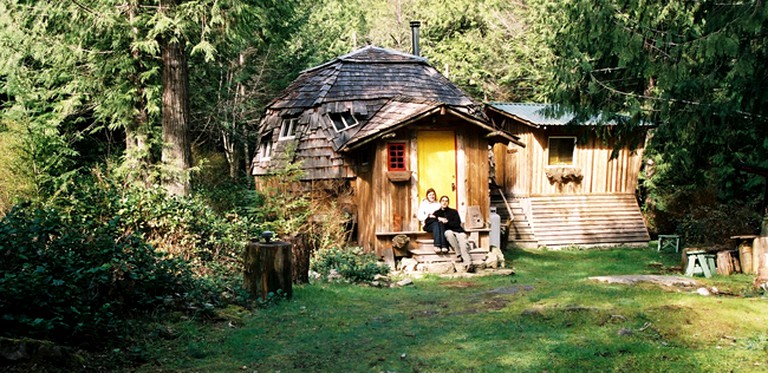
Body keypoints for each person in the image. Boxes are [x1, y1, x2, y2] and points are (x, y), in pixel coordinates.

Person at [432, 195, 474, 272]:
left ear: (448, 203)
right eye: (443, 201)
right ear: (440, 202)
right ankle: (459, 255)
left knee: (463, 242)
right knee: (448, 233)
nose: (444, 202)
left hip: (458, 231)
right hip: (449, 232)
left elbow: (457, 223)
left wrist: (447, 222)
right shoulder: (437, 213)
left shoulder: (454, 212)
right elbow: (428, 221)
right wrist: (438, 218)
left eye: (446, 201)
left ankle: (468, 263)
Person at [418, 188, 446, 253]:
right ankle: (437, 245)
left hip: (438, 223)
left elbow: (441, 215)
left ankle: (444, 246)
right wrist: (428, 215)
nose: (432, 196)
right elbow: (420, 216)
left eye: (433, 194)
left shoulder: (438, 204)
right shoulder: (424, 204)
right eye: (430, 195)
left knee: (440, 224)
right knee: (436, 224)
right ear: (427, 196)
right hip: (427, 224)